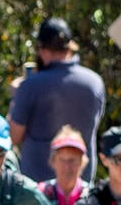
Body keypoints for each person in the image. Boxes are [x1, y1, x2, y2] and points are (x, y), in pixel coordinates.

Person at [9, 18, 103, 178]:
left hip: (38, 186)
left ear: (42, 50)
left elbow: (14, 136)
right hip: (81, 184)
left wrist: (17, 97)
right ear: (70, 47)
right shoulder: (94, 82)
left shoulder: (30, 86)